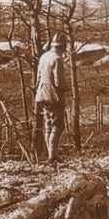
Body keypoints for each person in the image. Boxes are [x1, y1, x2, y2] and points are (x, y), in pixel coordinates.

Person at [35, 33, 69, 164]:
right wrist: (65, 90)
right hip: (53, 96)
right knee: (58, 126)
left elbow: (38, 77)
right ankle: (52, 156)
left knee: (48, 125)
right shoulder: (57, 59)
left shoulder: (44, 56)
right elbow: (58, 81)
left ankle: (51, 155)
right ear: (63, 46)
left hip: (42, 94)